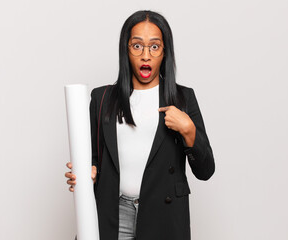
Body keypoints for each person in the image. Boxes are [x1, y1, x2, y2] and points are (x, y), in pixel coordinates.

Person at [64, 10, 215, 240]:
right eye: (137, 46)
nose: (146, 55)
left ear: (164, 52)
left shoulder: (183, 98)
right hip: (114, 213)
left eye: (154, 46)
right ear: (126, 50)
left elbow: (205, 171)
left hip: (163, 215)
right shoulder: (102, 98)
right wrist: (88, 174)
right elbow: (94, 159)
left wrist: (189, 130)